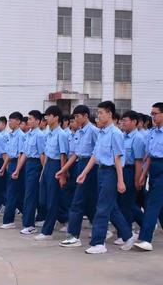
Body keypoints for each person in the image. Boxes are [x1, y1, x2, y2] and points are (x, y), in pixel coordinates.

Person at [76, 101, 136, 254]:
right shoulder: (101, 132)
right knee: (111, 207)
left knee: (102, 208)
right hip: (101, 171)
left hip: (111, 173)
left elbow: (117, 158)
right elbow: (95, 155)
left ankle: (98, 243)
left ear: (109, 114)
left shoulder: (115, 133)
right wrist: (84, 173)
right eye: (98, 113)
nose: (98, 116)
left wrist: (121, 181)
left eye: (101, 113)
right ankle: (128, 236)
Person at [58, 105, 99, 248]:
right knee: (90, 202)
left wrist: (86, 171)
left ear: (85, 116)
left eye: (77, 116)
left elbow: (97, 153)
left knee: (77, 202)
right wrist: (63, 169)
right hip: (80, 165)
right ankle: (117, 232)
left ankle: (73, 236)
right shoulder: (79, 132)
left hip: (90, 167)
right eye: (74, 117)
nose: (75, 119)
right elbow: (75, 154)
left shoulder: (93, 131)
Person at [7, 110, 45, 234]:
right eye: (28, 119)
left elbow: (42, 155)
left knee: (31, 195)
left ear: (38, 121)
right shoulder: (28, 135)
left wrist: (43, 172)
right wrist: (17, 170)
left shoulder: (40, 135)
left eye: (30, 119)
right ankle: (28, 222)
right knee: (28, 194)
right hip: (28, 164)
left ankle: (29, 224)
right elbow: (24, 154)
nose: (28, 121)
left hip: (36, 165)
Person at [35, 105, 69, 240]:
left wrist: (62, 173)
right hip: (48, 166)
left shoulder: (61, 134)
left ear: (56, 117)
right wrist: (43, 172)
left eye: (49, 116)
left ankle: (47, 231)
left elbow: (63, 156)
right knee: (43, 199)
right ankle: (66, 219)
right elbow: (46, 155)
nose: (46, 118)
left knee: (52, 200)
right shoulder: (48, 134)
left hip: (56, 166)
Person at [134, 102, 163, 251]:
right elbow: (149, 156)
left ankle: (145, 238)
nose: (153, 116)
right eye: (151, 113)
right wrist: (143, 175)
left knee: (152, 203)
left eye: (155, 113)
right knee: (160, 205)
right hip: (154, 168)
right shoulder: (152, 133)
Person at [113, 110, 145, 243]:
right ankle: (145, 225)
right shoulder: (122, 136)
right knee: (123, 203)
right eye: (121, 120)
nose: (122, 123)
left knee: (126, 204)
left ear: (134, 122)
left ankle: (124, 234)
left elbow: (138, 162)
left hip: (131, 171)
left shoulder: (138, 138)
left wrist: (137, 180)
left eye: (125, 120)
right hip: (121, 171)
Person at [0, 112, 26, 228]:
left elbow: (21, 154)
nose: (9, 123)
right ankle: (30, 214)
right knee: (16, 193)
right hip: (11, 164)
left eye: (12, 120)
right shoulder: (10, 135)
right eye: (9, 120)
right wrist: (3, 167)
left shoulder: (21, 135)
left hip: (17, 164)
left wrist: (17, 170)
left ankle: (9, 221)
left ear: (18, 122)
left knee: (12, 193)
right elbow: (9, 154)